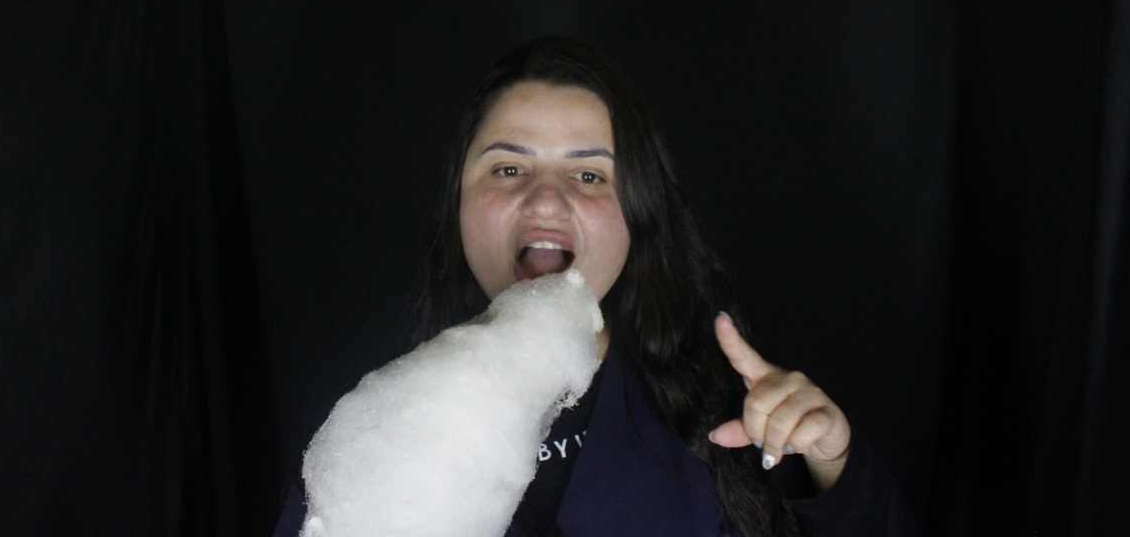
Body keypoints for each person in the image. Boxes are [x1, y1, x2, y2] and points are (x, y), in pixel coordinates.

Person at [273, 37, 917, 537]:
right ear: (459, 205)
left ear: (637, 212)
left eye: (589, 177)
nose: (545, 199)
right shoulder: (377, 429)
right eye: (508, 168)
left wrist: (831, 468)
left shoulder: (728, 409)